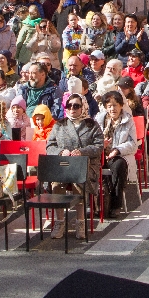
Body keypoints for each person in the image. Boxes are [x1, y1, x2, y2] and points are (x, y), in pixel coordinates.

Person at [45, 91, 105, 239]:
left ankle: (80, 222)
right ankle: (59, 222)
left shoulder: (92, 125)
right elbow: (49, 146)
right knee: (56, 185)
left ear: (83, 106)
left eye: (76, 106)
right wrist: (61, 152)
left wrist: (82, 152)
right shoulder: (59, 125)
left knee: (80, 184)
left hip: (84, 164)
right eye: (69, 105)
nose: (72, 109)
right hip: (63, 165)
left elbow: (99, 146)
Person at [95, 91, 139, 214]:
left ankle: (115, 205)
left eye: (115, 105)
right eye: (109, 106)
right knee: (88, 164)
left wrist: (117, 150)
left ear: (121, 105)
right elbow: (92, 139)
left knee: (119, 165)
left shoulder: (128, 120)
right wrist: (100, 145)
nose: (112, 109)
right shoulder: (99, 120)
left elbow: (133, 144)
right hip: (100, 153)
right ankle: (94, 205)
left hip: (118, 154)